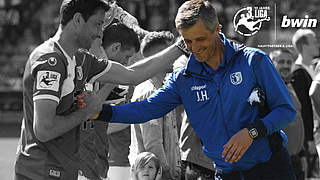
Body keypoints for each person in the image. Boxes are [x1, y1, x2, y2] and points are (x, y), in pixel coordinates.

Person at [95, 0, 296, 179]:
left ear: (217, 30)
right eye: (187, 41)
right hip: (226, 174)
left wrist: (251, 132)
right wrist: (100, 111)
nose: (194, 47)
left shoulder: (253, 61)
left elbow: (286, 110)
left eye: (200, 39)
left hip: (270, 168)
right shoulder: (184, 77)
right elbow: (146, 108)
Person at [14, 0, 184, 179]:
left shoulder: (81, 59)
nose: (100, 32)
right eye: (97, 24)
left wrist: (182, 46)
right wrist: (86, 112)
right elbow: (44, 129)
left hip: (66, 171)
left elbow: (132, 74)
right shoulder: (51, 61)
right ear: (78, 20)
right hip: (39, 173)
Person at [79, 23, 140, 180]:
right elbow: (89, 111)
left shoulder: (102, 73)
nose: (126, 64)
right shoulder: (85, 69)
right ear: (115, 48)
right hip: (85, 163)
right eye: (127, 57)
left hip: (99, 159)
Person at [131, 31, 181, 180]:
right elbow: (152, 144)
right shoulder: (150, 92)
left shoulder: (161, 88)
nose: (175, 56)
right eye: (170, 51)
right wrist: (165, 174)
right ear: (161, 56)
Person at [270, 49, 306, 180]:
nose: (286, 65)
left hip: (295, 158)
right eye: (281, 62)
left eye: (289, 62)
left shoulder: (291, 86)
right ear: (271, 63)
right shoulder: (267, 89)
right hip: (276, 161)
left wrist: (301, 154)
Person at [291, 28, 319, 177]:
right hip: (310, 138)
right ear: (304, 46)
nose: (317, 44)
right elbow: (303, 109)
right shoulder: (297, 73)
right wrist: (309, 139)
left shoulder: (314, 68)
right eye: (314, 42)